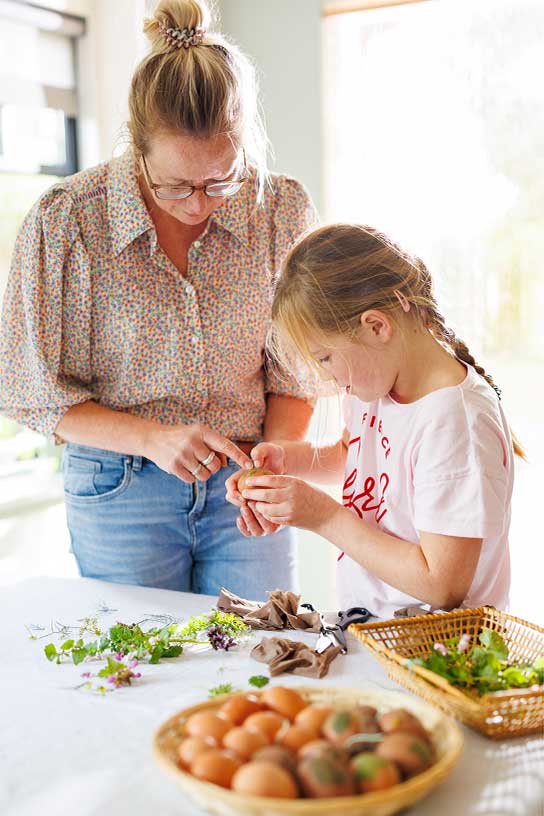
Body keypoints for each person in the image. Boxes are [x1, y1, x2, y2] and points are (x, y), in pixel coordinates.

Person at [0, 0, 317, 599]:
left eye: (219, 181)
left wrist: (271, 461)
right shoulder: (69, 221)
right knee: (143, 654)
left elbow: (296, 374)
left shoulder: (279, 211)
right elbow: (29, 389)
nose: (197, 204)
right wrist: (152, 439)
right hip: (119, 490)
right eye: (174, 184)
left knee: (264, 647)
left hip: (245, 482)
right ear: (136, 146)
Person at [227, 224, 521, 618]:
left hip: (438, 645)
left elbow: (442, 585)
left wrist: (323, 516)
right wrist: (287, 461)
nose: (327, 376)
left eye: (325, 358)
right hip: (374, 630)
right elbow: (351, 454)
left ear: (376, 326)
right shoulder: (375, 384)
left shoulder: (454, 422)